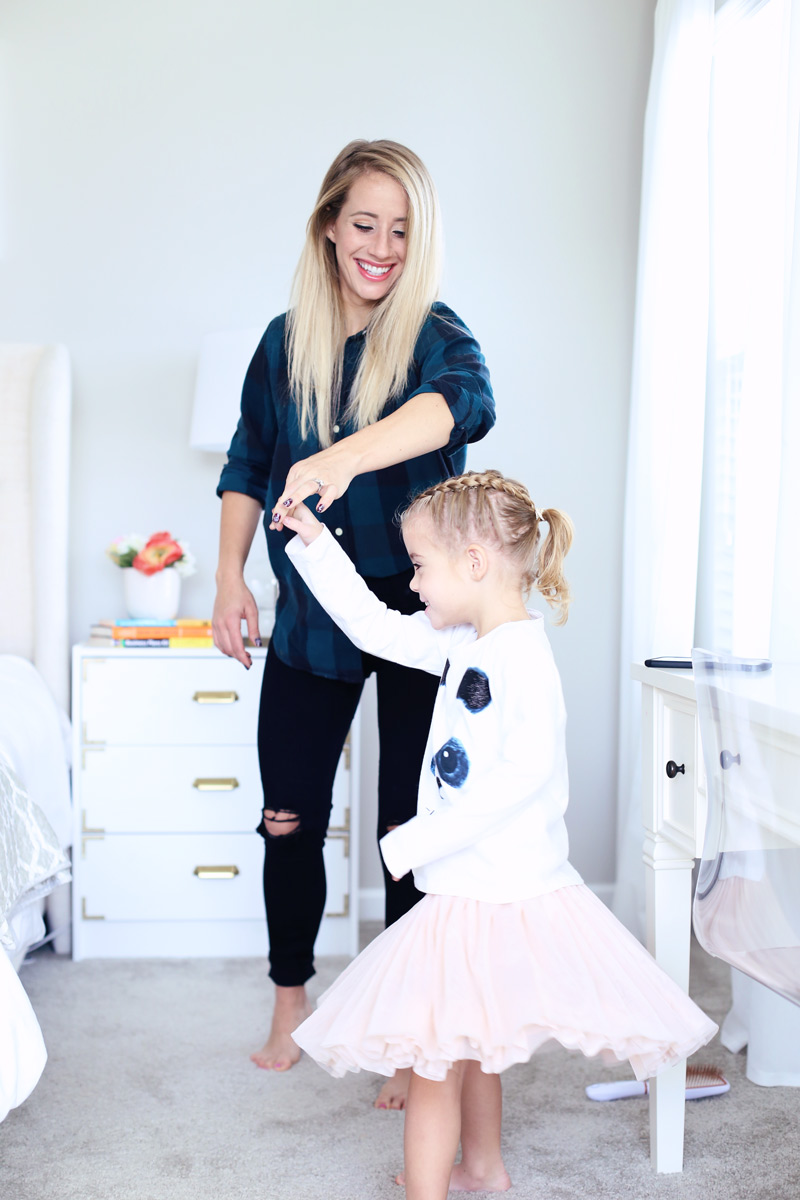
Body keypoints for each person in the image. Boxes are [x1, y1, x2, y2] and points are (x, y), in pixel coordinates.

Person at [281, 469, 718, 1200]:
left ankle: (427, 1191)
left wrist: (416, 841)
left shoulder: (519, 658)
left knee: (432, 1057)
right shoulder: (460, 642)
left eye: (421, 566)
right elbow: (374, 626)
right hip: (470, 880)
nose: (414, 585)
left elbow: (522, 777)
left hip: (488, 885)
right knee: (473, 1040)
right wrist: (316, 542)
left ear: (475, 565)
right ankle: (483, 1166)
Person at [212, 139, 495, 1108]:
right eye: (363, 223)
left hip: (422, 618)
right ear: (330, 223)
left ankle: (408, 1022)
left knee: (409, 831)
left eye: (400, 229)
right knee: (287, 815)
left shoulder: (430, 334)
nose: (379, 246)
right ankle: (292, 998)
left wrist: (346, 457)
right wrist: (226, 578)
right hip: (313, 622)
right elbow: (248, 463)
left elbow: (463, 407)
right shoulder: (282, 340)